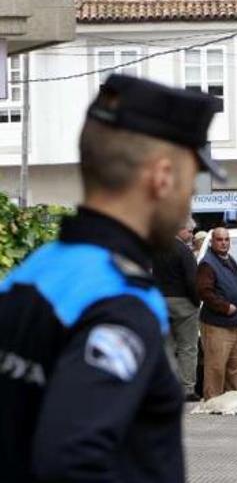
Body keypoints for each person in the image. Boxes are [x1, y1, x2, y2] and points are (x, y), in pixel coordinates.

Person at [0, 74, 224, 482]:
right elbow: (71, 460)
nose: (189, 201)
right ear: (161, 177)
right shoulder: (120, 305)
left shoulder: (33, 272)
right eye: (191, 181)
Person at [196, 227, 237, 400]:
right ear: (212, 242)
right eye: (220, 239)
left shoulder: (228, 259)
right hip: (216, 323)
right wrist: (225, 307)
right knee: (216, 365)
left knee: (235, 364)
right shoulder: (208, 263)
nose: (224, 243)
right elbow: (204, 291)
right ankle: (212, 400)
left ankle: (230, 399)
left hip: (233, 323)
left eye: (227, 239)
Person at [152, 218, 201, 401]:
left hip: (160, 300)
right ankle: (187, 388)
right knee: (188, 347)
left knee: (166, 346)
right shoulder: (184, 251)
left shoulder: (156, 248)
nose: (191, 235)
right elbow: (191, 280)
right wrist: (196, 302)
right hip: (183, 302)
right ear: (180, 229)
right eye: (189, 231)